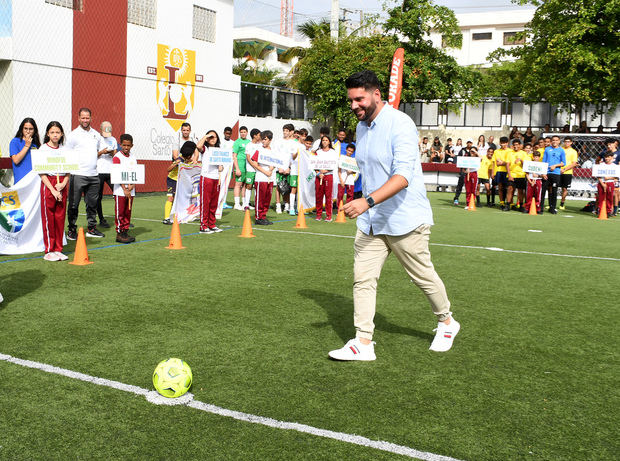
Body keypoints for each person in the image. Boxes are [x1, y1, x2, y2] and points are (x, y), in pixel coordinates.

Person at [328, 70, 458, 361]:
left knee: (422, 276)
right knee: (363, 279)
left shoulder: (401, 125)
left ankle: (447, 322)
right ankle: (363, 342)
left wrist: (366, 201)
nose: (354, 106)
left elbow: (402, 177)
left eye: (359, 99)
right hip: (372, 220)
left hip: (404, 218)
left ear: (376, 94)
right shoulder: (362, 127)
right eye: (351, 100)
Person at [65, 107, 108, 239]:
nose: (85, 120)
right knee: (74, 204)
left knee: (92, 204)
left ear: (91, 118)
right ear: (78, 118)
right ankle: (72, 230)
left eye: (87, 118)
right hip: (77, 174)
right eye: (83, 118)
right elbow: (67, 154)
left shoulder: (96, 134)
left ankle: (92, 228)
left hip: (94, 175)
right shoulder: (73, 135)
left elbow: (100, 152)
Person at [37, 121, 69, 261]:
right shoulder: (43, 149)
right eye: (52, 132)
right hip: (49, 184)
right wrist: (53, 190)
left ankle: (58, 248)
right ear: (48, 134)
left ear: (61, 134)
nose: (55, 135)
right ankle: (49, 249)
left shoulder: (65, 150)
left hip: (61, 184)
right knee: (49, 217)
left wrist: (63, 184)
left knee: (60, 217)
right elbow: (41, 173)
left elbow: (70, 170)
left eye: (58, 132)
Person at [164, 122, 195, 223]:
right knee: (171, 198)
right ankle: (166, 218)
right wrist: (176, 163)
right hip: (172, 179)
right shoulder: (180, 158)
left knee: (182, 198)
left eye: (187, 130)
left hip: (182, 180)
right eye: (184, 130)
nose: (185, 132)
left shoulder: (189, 159)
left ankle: (181, 215)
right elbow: (168, 169)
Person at [197, 130, 224, 233]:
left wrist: (221, 166)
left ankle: (212, 224)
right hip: (206, 177)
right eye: (211, 137)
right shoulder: (205, 149)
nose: (213, 139)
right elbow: (198, 146)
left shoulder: (219, 150)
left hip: (216, 178)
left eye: (215, 137)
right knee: (206, 202)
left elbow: (222, 163)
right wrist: (206, 136)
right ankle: (203, 225)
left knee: (214, 202)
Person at [112, 134, 137, 243]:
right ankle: (119, 233)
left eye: (128, 145)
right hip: (120, 190)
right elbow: (117, 174)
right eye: (124, 145)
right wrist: (125, 188)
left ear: (132, 145)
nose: (126, 147)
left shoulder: (133, 157)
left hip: (131, 190)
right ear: (120, 144)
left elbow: (136, 173)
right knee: (120, 212)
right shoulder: (117, 157)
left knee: (128, 211)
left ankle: (125, 231)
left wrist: (132, 185)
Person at [248, 130, 275, 225]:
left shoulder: (272, 151)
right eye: (262, 139)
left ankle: (263, 216)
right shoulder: (259, 150)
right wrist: (265, 171)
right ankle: (258, 217)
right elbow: (254, 163)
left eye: (265, 139)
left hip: (270, 177)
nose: (263, 141)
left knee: (267, 198)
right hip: (261, 177)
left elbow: (275, 162)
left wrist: (272, 168)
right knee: (260, 198)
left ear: (270, 140)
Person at [96, 121, 118, 229]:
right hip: (99, 171)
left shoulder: (113, 139)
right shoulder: (97, 139)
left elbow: (115, 153)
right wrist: (101, 152)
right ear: (100, 130)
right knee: (98, 196)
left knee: (118, 194)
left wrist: (111, 152)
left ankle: (120, 218)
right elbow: (93, 155)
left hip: (111, 171)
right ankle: (101, 219)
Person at [313, 135, 338, 222]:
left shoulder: (333, 152)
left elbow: (334, 165)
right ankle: (318, 214)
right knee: (318, 196)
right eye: (323, 140)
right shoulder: (318, 152)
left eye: (326, 140)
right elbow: (314, 164)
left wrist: (325, 171)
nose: (324, 142)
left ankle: (328, 215)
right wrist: (319, 173)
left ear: (329, 142)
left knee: (328, 196)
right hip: (319, 176)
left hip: (328, 176)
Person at [10, 118, 41, 184]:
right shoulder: (15, 141)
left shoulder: (35, 144)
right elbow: (16, 160)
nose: (28, 131)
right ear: (22, 129)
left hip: (34, 181)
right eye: (25, 128)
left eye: (31, 129)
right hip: (21, 181)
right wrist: (26, 146)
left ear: (34, 130)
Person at [541, 135, 566, 214]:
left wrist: (555, 166)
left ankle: (552, 207)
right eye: (553, 140)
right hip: (547, 173)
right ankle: (540, 207)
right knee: (543, 190)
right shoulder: (547, 149)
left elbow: (563, 163)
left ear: (559, 141)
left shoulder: (561, 150)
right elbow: (544, 162)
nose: (554, 142)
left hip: (556, 173)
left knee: (554, 191)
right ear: (551, 141)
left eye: (556, 140)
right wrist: (543, 173)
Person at [504, 139, 528, 211]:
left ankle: (521, 206)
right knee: (510, 189)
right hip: (512, 175)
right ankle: (508, 205)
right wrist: (509, 175)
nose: (515, 146)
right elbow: (507, 164)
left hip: (521, 175)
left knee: (520, 191)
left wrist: (521, 160)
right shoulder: (509, 153)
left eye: (517, 145)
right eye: (514, 145)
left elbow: (526, 165)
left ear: (520, 145)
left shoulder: (524, 153)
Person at [232, 126, 250, 210]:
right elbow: (234, 156)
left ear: (247, 132)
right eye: (241, 132)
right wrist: (237, 168)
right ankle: (236, 204)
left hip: (247, 166)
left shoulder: (249, 142)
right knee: (238, 184)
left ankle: (244, 203)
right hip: (240, 165)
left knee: (245, 185)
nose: (243, 133)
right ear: (240, 133)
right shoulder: (237, 142)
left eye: (244, 132)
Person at [243, 128, 262, 210]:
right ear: (254, 136)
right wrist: (254, 166)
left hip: (258, 170)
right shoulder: (249, 145)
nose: (260, 137)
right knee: (249, 186)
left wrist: (258, 167)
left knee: (257, 186)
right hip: (250, 169)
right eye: (259, 135)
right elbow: (248, 158)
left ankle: (256, 203)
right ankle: (246, 204)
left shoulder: (260, 145)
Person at [559, 137, 579, 210]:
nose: (567, 143)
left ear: (571, 142)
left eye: (568, 142)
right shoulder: (560, 149)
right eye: (565, 141)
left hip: (567, 172)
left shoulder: (573, 152)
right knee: (553, 187)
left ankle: (562, 203)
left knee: (564, 188)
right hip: (557, 171)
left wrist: (564, 169)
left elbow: (574, 163)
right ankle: (551, 203)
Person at [453, 139, 474, 206]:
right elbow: (459, 159)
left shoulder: (473, 150)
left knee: (470, 187)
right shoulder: (462, 150)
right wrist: (462, 169)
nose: (469, 144)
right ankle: (456, 198)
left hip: (471, 171)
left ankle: (469, 201)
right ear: (466, 143)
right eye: (468, 142)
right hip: (463, 171)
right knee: (460, 185)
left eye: (470, 143)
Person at [492, 136, 510, 209]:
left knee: (508, 188)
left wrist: (502, 162)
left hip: (507, 171)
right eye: (502, 143)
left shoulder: (510, 151)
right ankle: (502, 203)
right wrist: (492, 172)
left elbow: (509, 162)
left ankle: (508, 203)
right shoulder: (496, 151)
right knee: (500, 188)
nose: (503, 144)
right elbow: (495, 163)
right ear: (499, 143)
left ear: (507, 143)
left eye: (505, 143)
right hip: (499, 171)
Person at [596, 151, 616, 217]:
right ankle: (600, 209)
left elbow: (616, 177)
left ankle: (608, 211)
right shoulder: (601, 165)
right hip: (601, 183)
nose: (606, 158)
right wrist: (602, 183)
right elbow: (598, 176)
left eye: (608, 157)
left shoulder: (615, 166)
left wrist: (609, 178)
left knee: (609, 197)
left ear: (612, 157)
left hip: (610, 183)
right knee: (601, 197)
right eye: (605, 157)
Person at [525, 150, 544, 214]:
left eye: (537, 157)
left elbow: (543, 175)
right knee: (529, 194)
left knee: (538, 195)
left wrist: (537, 175)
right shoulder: (529, 164)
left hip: (538, 180)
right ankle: (527, 207)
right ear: (533, 157)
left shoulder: (541, 165)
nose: (536, 158)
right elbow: (527, 174)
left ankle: (538, 208)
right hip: (530, 180)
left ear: (539, 158)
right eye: (535, 157)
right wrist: (530, 181)